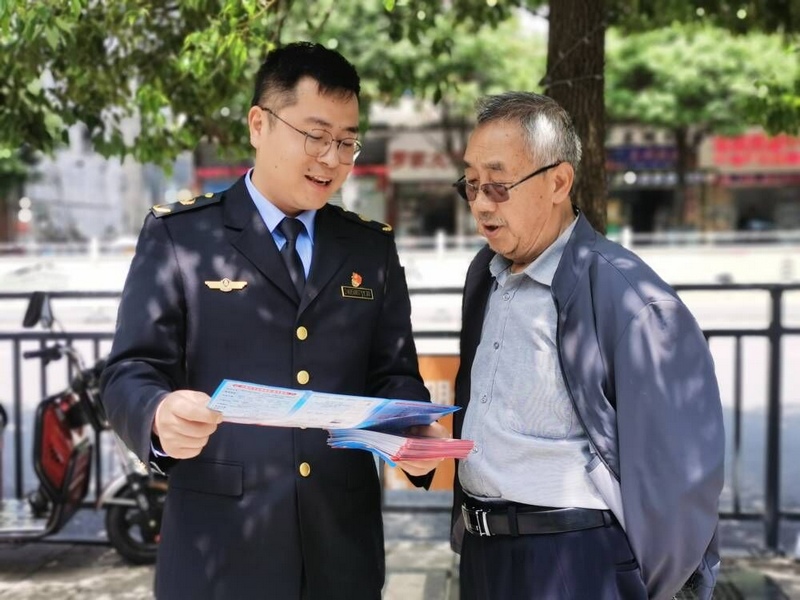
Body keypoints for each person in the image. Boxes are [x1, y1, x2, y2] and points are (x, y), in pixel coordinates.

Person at [101, 41, 445, 600]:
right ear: (259, 125)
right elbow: (129, 371)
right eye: (315, 135)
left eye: (347, 142)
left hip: (342, 553)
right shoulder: (182, 238)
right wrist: (159, 411)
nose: (332, 159)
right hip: (220, 553)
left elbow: (392, 373)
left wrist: (411, 429)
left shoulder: (368, 247)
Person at [449, 92, 725, 600]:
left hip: (576, 560)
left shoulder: (630, 298)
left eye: (498, 184)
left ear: (558, 182)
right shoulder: (483, 275)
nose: (481, 203)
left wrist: (641, 585)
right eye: (471, 183)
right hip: (484, 557)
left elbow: (683, 479)